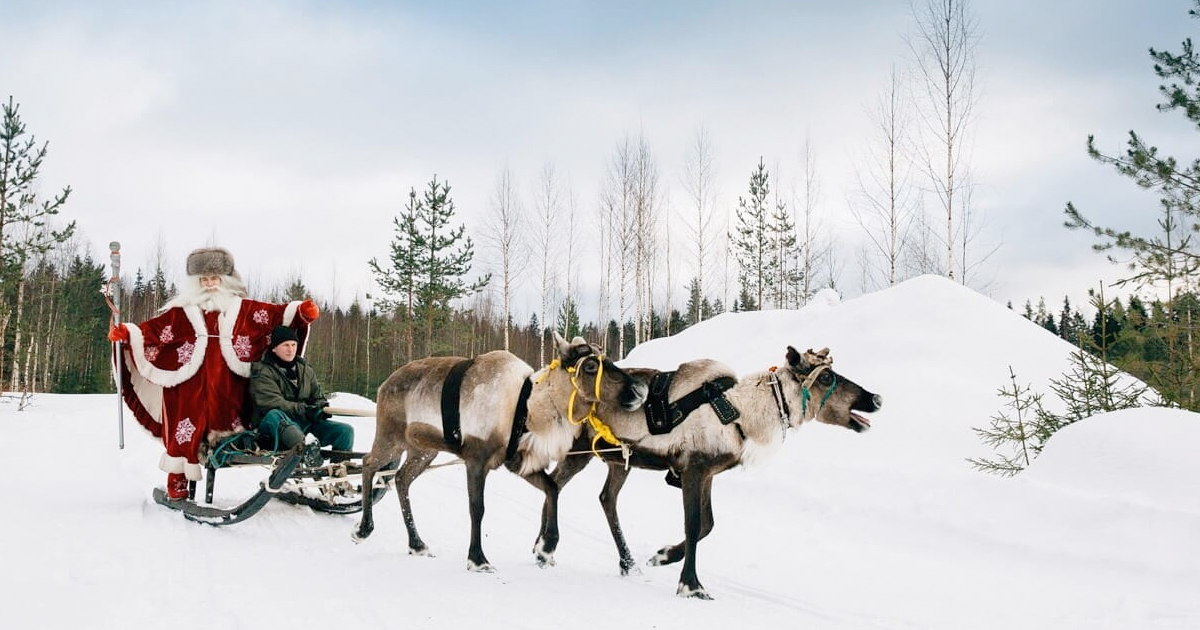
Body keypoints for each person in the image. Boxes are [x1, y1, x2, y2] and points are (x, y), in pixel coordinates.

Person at [109, 247, 320, 500]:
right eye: (204, 280)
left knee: (234, 423)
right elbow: (153, 331)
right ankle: (177, 479)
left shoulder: (243, 309)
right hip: (188, 384)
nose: (209, 284)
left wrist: (299, 312)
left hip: (228, 385)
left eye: (214, 279)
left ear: (225, 280)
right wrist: (127, 334)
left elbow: (273, 316)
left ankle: (255, 461)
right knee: (184, 428)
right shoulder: (181, 312)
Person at [249, 325, 354, 453]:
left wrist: (320, 408)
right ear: (274, 348)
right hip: (274, 428)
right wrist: (304, 410)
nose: (291, 350)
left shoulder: (305, 370)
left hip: (304, 424)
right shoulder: (262, 371)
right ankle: (307, 452)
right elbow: (271, 402)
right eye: (286, 345)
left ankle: (340, 466)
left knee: (345, 431)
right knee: (275, 414)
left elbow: (317, 397)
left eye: (293, 345)